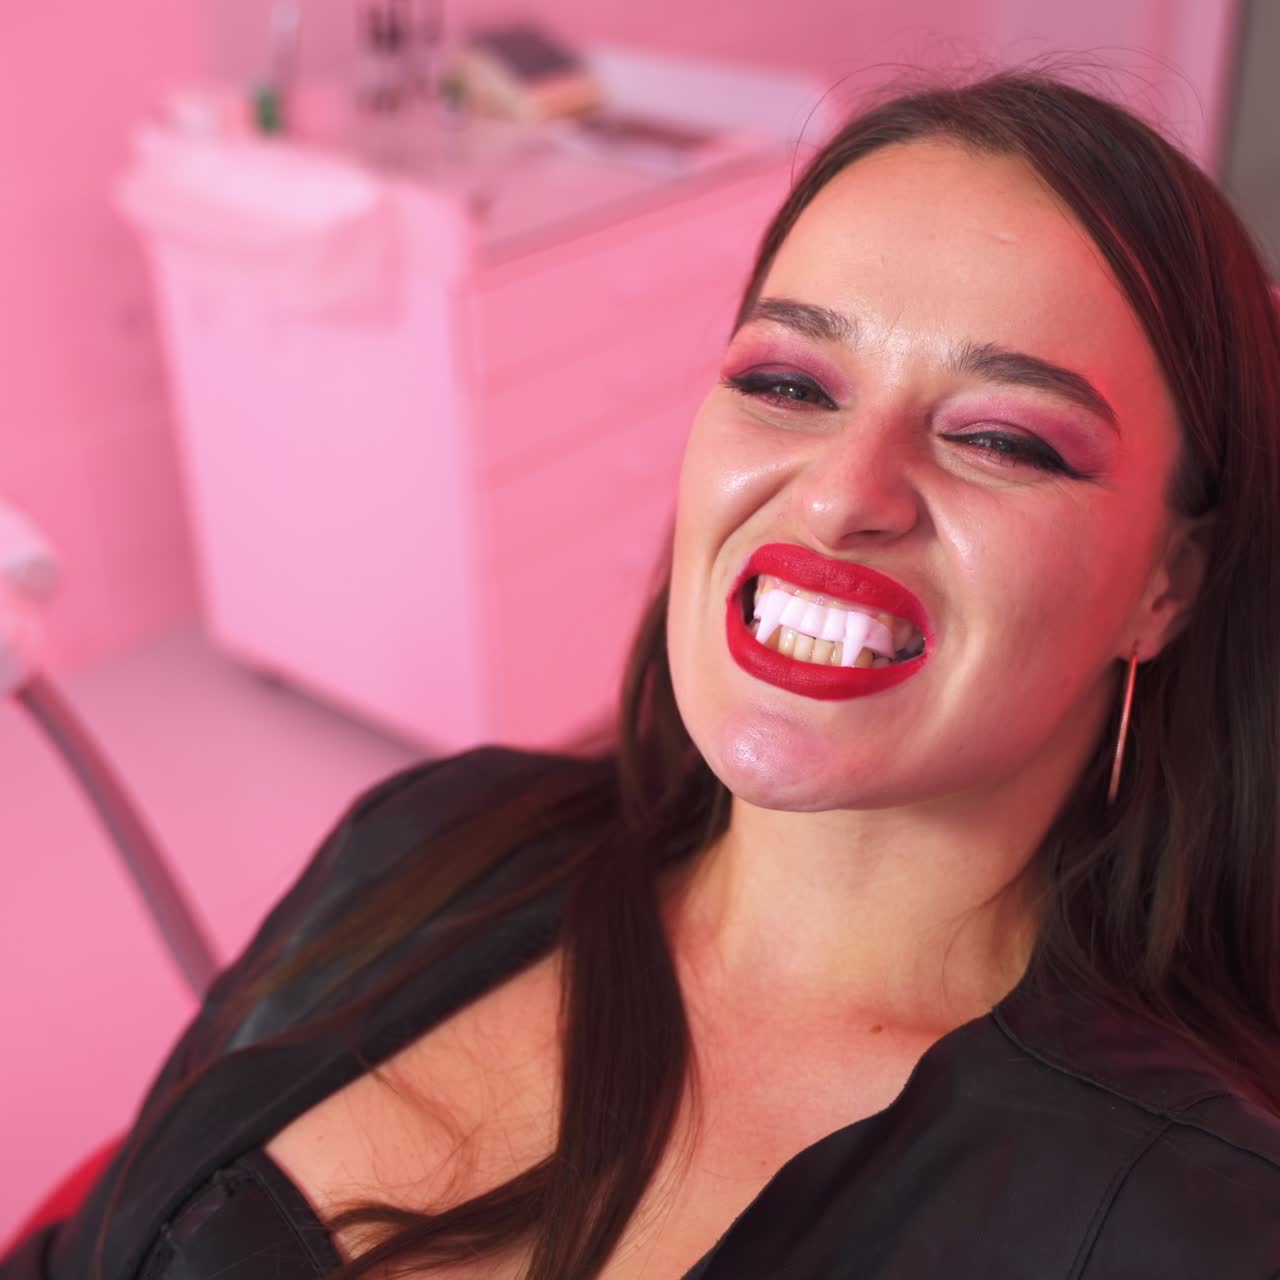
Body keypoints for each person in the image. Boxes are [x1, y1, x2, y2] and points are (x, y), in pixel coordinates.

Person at [5, 68, 1279, 1280]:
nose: (839, 495)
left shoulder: (1191, 1222)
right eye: (786, 381)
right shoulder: (421, 835)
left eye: (1000, 437)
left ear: (1165, 583)